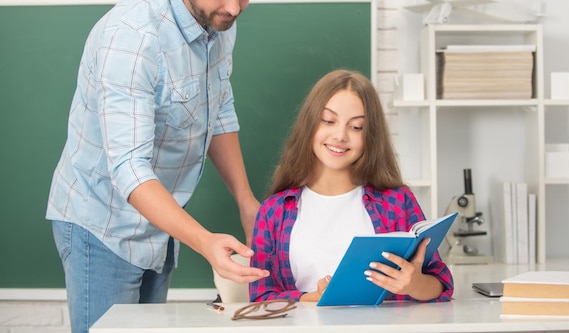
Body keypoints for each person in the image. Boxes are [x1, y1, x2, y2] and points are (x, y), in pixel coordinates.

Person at [45, 0, 269, 332]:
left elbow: (218, 110)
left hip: (161, 223)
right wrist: (205, 242)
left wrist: (246, 201)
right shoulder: (132, 38)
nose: (235, 9)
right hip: (104, 224)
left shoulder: (218, 22)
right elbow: (128, 168)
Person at [249, 69, 454, 303]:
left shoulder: (397, 201)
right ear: (309, 125)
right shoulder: (274, 210)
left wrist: (415, 284)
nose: (340, 135)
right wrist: (313, 297)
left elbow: (442, 285)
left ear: (371, 136)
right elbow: (261, 297)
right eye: (328, 120)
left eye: (356, 127)